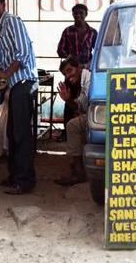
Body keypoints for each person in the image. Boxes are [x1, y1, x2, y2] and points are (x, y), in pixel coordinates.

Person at [0, 0, 39, 194]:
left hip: (23, 83)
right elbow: (12, 57)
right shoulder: (2, 26)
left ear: (3, 5)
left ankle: (24, 181)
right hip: (16, 84)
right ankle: (15, 176)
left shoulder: (12, 21)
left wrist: (6, 73)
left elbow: (22, 53)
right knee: (12, 134)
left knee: (21, 135)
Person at [57, 3, 97, 139]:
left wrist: (89, 64)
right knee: (69, 98)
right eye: (76, 13)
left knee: (87, 99)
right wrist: (70, 57)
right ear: (72, 15)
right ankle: (68, 131)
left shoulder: (93, 32)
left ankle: (87, 129)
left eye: (81, 13)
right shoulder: (68, 31)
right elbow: (60, 50)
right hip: (72, 71)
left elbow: (97, 51)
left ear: (86, 15)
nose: (78, 16)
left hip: (86, 69)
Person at [54, 57, 91, 186]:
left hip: (100, 117)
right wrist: (67, 99)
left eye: (70, 71)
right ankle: (78, 168)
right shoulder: (80, 82)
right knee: (74, 122)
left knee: (72, 125)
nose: (68, 76)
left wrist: (79, 112)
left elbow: (85, 107)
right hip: (92, 116)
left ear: (79, 67)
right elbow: (80, 107)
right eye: (65, 74)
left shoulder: (89, 79)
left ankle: (79, 172)